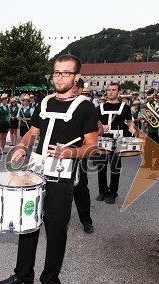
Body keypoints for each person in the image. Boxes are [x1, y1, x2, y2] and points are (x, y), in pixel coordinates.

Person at [1, 54, 99, 284]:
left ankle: (50, 283)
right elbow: (32, 133)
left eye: (65, 73)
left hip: (62, 177)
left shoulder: (85, 107)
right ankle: (23, 273)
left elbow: (92, 146)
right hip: (35, 172)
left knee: (55, 232)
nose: (59, 77)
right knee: (27, 224)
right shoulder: (44, 103)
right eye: (56, 72)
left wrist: (70, 152)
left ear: (76, 76)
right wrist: (22, 147)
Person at [95, 83, 135, 204]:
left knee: (115, 168)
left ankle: (112, 193)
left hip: (118, 140)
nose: (110, 92)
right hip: (103, 139)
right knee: (101, 167)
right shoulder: (100, 107)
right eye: (109, 90)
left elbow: (129, 121)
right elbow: (95, 124)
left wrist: (131, 128)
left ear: (119, 92)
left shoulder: (125, 107)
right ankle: (102, 192)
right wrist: (101, 127)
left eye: (113, 90)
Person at [73, 79, 99, 233]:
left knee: (80, 188)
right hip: (59, 154)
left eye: (74, 87)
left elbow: (99, 129)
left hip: (79, 153)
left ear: (81, 89)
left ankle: (86, 221)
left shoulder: (87, 107)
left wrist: (88, 137)